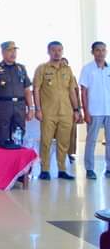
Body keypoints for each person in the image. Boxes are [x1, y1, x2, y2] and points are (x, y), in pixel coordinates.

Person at [33, 41, 80, 180]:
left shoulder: (68, 69)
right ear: (48, 51)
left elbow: (72, 91)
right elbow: (36, 90)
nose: (57, 52)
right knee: (46, 141)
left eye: (59, 50)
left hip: (66, 112)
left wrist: (76, 109)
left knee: (63, 142)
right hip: (48, 112)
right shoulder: (42, 68)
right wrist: (37, 109)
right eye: (54, 50)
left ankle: (62, 170)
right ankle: (45, 170)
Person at [0, 41, 34, 148]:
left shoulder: (21, 68)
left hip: (20, 106)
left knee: (18, 136)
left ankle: (18, 163)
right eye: (9, 50)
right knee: (2, 137)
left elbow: (27, 90)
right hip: (3, 106)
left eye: (14, 50)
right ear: (2, 52)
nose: (13, 53)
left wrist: (31, 108)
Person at [79, 41, 110, 180]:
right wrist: (86, 112)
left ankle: (109, 168)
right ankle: (90, 169)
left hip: (108, 110)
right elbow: (83, 92)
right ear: (92, 52)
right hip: (94, 111)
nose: (101, 53)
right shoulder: (87, 69)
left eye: (103, 50)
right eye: (98, 50)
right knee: (91, 141)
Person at [61, 57, 80, 162]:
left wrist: (78, 109)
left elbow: (76, 94)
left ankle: (69, 153)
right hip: (56, 110)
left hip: (71, 109)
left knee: (71, 133)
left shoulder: (72, 77)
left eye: (65, 64)